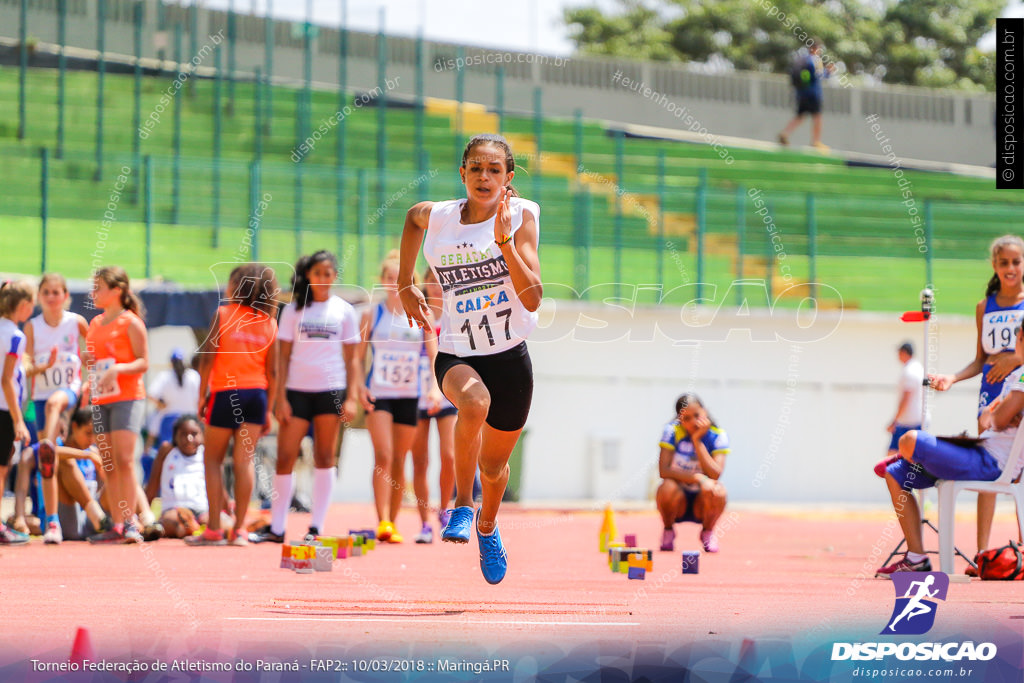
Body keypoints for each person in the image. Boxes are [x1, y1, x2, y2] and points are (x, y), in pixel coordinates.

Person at [398, 133, 542, 584]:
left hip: (510, 358)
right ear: (462, 173)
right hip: (458, 351)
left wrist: (504, 245)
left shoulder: (521, 216)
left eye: (494, 169)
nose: (484, 176)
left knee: (496, 469)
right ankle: (462, 505)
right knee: (474, 404)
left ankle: (487, 524)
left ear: (508, 178)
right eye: (476, 168)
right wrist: (405, 282)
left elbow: (534, 298)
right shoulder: (439, 216)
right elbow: (410, 216)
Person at [877, 325, 1024, 576]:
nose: (1017, 341)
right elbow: (994, 416)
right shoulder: (1017, 374)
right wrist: (997, 412)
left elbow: (997, 419)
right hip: (981, 452)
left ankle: (916, 455)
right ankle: (916, 559)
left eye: (1019, 337)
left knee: (909, 440)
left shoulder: (1021, 376)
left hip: (992, 462)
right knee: (895, 473)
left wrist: (997, 413)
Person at [251, 251, 360, 543]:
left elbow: (353, 360)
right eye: (317, 274)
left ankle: (316, 527)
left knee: (324, 456)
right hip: (296, 392)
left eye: (328, 273)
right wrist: (279, 398)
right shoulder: (294, 310)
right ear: (308, 276)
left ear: (335, 276)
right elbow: (282, 358)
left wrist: (351, 397)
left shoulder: (345, 311)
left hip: (331, 391)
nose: (322, 279)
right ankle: (277, 527)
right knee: (286, 456)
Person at [929, 234, 1024, 560]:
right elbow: (980, 359)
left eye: (1016, 261)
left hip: (1021, 391)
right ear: (994, 266)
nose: (1010, 268)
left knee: (1020, 471)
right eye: (1004, 262)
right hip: (990, 396)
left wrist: (1014, 358)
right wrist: (952, 378)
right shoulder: (984, 306)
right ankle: (983, 552)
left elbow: (1014, 355)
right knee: (991, 470)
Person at [189, 264, 279, 546]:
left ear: (236, 286)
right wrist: (268, 409)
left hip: (226, 392)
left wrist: (202, 395)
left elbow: (207, 358)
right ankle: (239, 529)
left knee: (212, 460)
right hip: (256, 394)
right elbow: (273, 372)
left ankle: (214, 527)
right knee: (244, 461)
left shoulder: (224, 314)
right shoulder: (269, 322)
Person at [358, 252, 441, 545]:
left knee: (400, 460)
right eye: (389, 279)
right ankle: (381, 519)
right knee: (383, 454)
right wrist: (358, 385)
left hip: (410, 395)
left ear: (410, 282)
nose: (394, 284)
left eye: (399, 279)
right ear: (381, 281)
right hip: (379, 394)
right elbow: (357, 357)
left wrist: (434, 388)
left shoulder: (422, 314)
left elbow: (434, 356)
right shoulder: (372, 314)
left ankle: (392, 523)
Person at [19, 273, 89, 544]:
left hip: (69, 392)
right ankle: (52, 522)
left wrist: (90, 382)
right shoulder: (32, 327)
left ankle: (47, 445)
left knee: (54, 405)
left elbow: (93, 350)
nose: (51, 297)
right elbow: (25, 367)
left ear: (66, 296)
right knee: (49, 460)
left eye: (56, 292)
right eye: (46, 292)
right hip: (40, 395)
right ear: (39, 297)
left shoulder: (76, 322)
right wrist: (42, 367)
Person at [83, 266, 151, 544]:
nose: (94, 292)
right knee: (108, 463)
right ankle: (118, 523)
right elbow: (94, 360)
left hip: (127, 397)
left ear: (117, 291)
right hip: (102, 398)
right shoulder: (95, 324)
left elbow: (143, 361)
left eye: (99, 287)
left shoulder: (131, 322)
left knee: (124, 460)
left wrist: (118, 370)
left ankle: (132, 521)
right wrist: (90, 371)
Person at [410, 267, 458, 543]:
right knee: (420, 460)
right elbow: (429, 354)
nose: (436, 286)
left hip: (446, 390)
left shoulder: (453, 316)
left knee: (449, 455)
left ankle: (444, 509)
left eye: (440, 281)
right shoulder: (420, 314)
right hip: (418, 391)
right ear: (425, 285)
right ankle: (424, 523)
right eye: (431, 281)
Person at [655, 394, 729, 553]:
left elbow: (715, 474)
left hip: (702, 501)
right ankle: (668, 530)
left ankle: (707, 532)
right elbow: (663, 470)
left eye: (697, 415)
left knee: (718, 490)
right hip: (678, 498)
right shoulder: (672, 432)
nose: (693, 422)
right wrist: (697, 477)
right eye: (686, 418)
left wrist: (697, 441)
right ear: (679, 419)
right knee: (666, 487)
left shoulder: (718, 435)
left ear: (705, 411)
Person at [146, 414, 232, 539]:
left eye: (194, 434)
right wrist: (143, 514)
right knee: (171, 522)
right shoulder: (167, 451)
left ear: (203, 435)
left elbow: (220, 488)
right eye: (183, 434)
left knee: (224, 525)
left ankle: (196, 527)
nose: (189, 439)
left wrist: (229, 512)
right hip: (174, 509)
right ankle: (188, 528)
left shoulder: (208, 454)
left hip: (202, 509)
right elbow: (152, 486)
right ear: (175, 437)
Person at [0, 280, 35, 545]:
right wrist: (18, 419)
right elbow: (7, 379)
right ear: (23, 305)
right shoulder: (15, 335)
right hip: (3, 411)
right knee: (1, 471)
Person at [874, 342, 925, 475]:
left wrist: (895, 420)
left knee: (890, 460)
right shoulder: (918, 367)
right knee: (912, 459)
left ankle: (902, 489)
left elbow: (906, 398)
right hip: (916, 419)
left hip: (907, 421)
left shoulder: (909, 371)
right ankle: (912, 490)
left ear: (903, 352)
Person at [144, 348, 200, 459]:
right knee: (192, 453)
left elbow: (151, 394)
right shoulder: (193, 376)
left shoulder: (165, 376)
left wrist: (161, 405)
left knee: (169, 455)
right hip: (191, 419)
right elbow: (200, 396)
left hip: (170, 421)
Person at [777, 40, 834, 149]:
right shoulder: (815, 60)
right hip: (813, 94)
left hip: (802, 93)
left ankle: (785, 133)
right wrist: (829, 71)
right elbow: (820, 75)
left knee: (800, 115)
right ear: (816, 49)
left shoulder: (803, 60)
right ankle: (816, 141)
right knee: (817, 116)